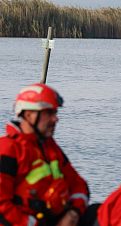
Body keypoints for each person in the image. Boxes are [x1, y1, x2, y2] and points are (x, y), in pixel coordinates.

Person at [0, 83, 90, 226]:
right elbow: (2, 207)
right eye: (49, 113)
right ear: (29, 115)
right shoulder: (7, 149)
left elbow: (79, 185)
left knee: (98, 214)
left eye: (55, 113)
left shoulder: (49, 146)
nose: (55, 119)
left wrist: (73, 213)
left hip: (57, 218)